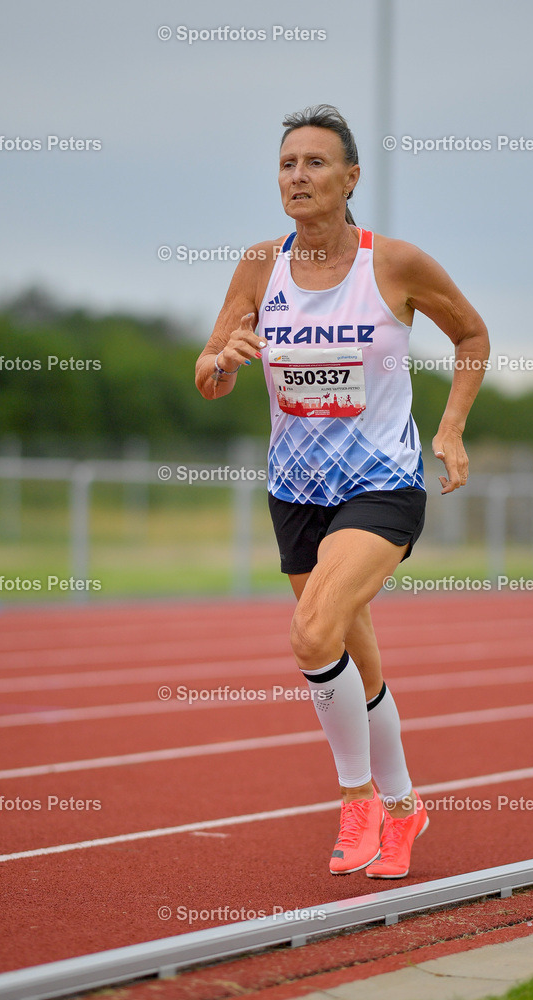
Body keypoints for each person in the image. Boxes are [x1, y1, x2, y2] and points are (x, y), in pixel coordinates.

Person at [195, 104, 489, 879]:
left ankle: (355, 797)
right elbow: (209, 377)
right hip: (295, 491)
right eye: (288, 163)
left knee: (311, 632)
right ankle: (402, 807)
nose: (298, 175)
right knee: (353, 659)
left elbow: (470, 335)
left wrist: (451, 428)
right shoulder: (260, 264)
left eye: (315, 162)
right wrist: (222, 356)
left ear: (350, 177)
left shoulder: (391, 264)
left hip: (381, 484)